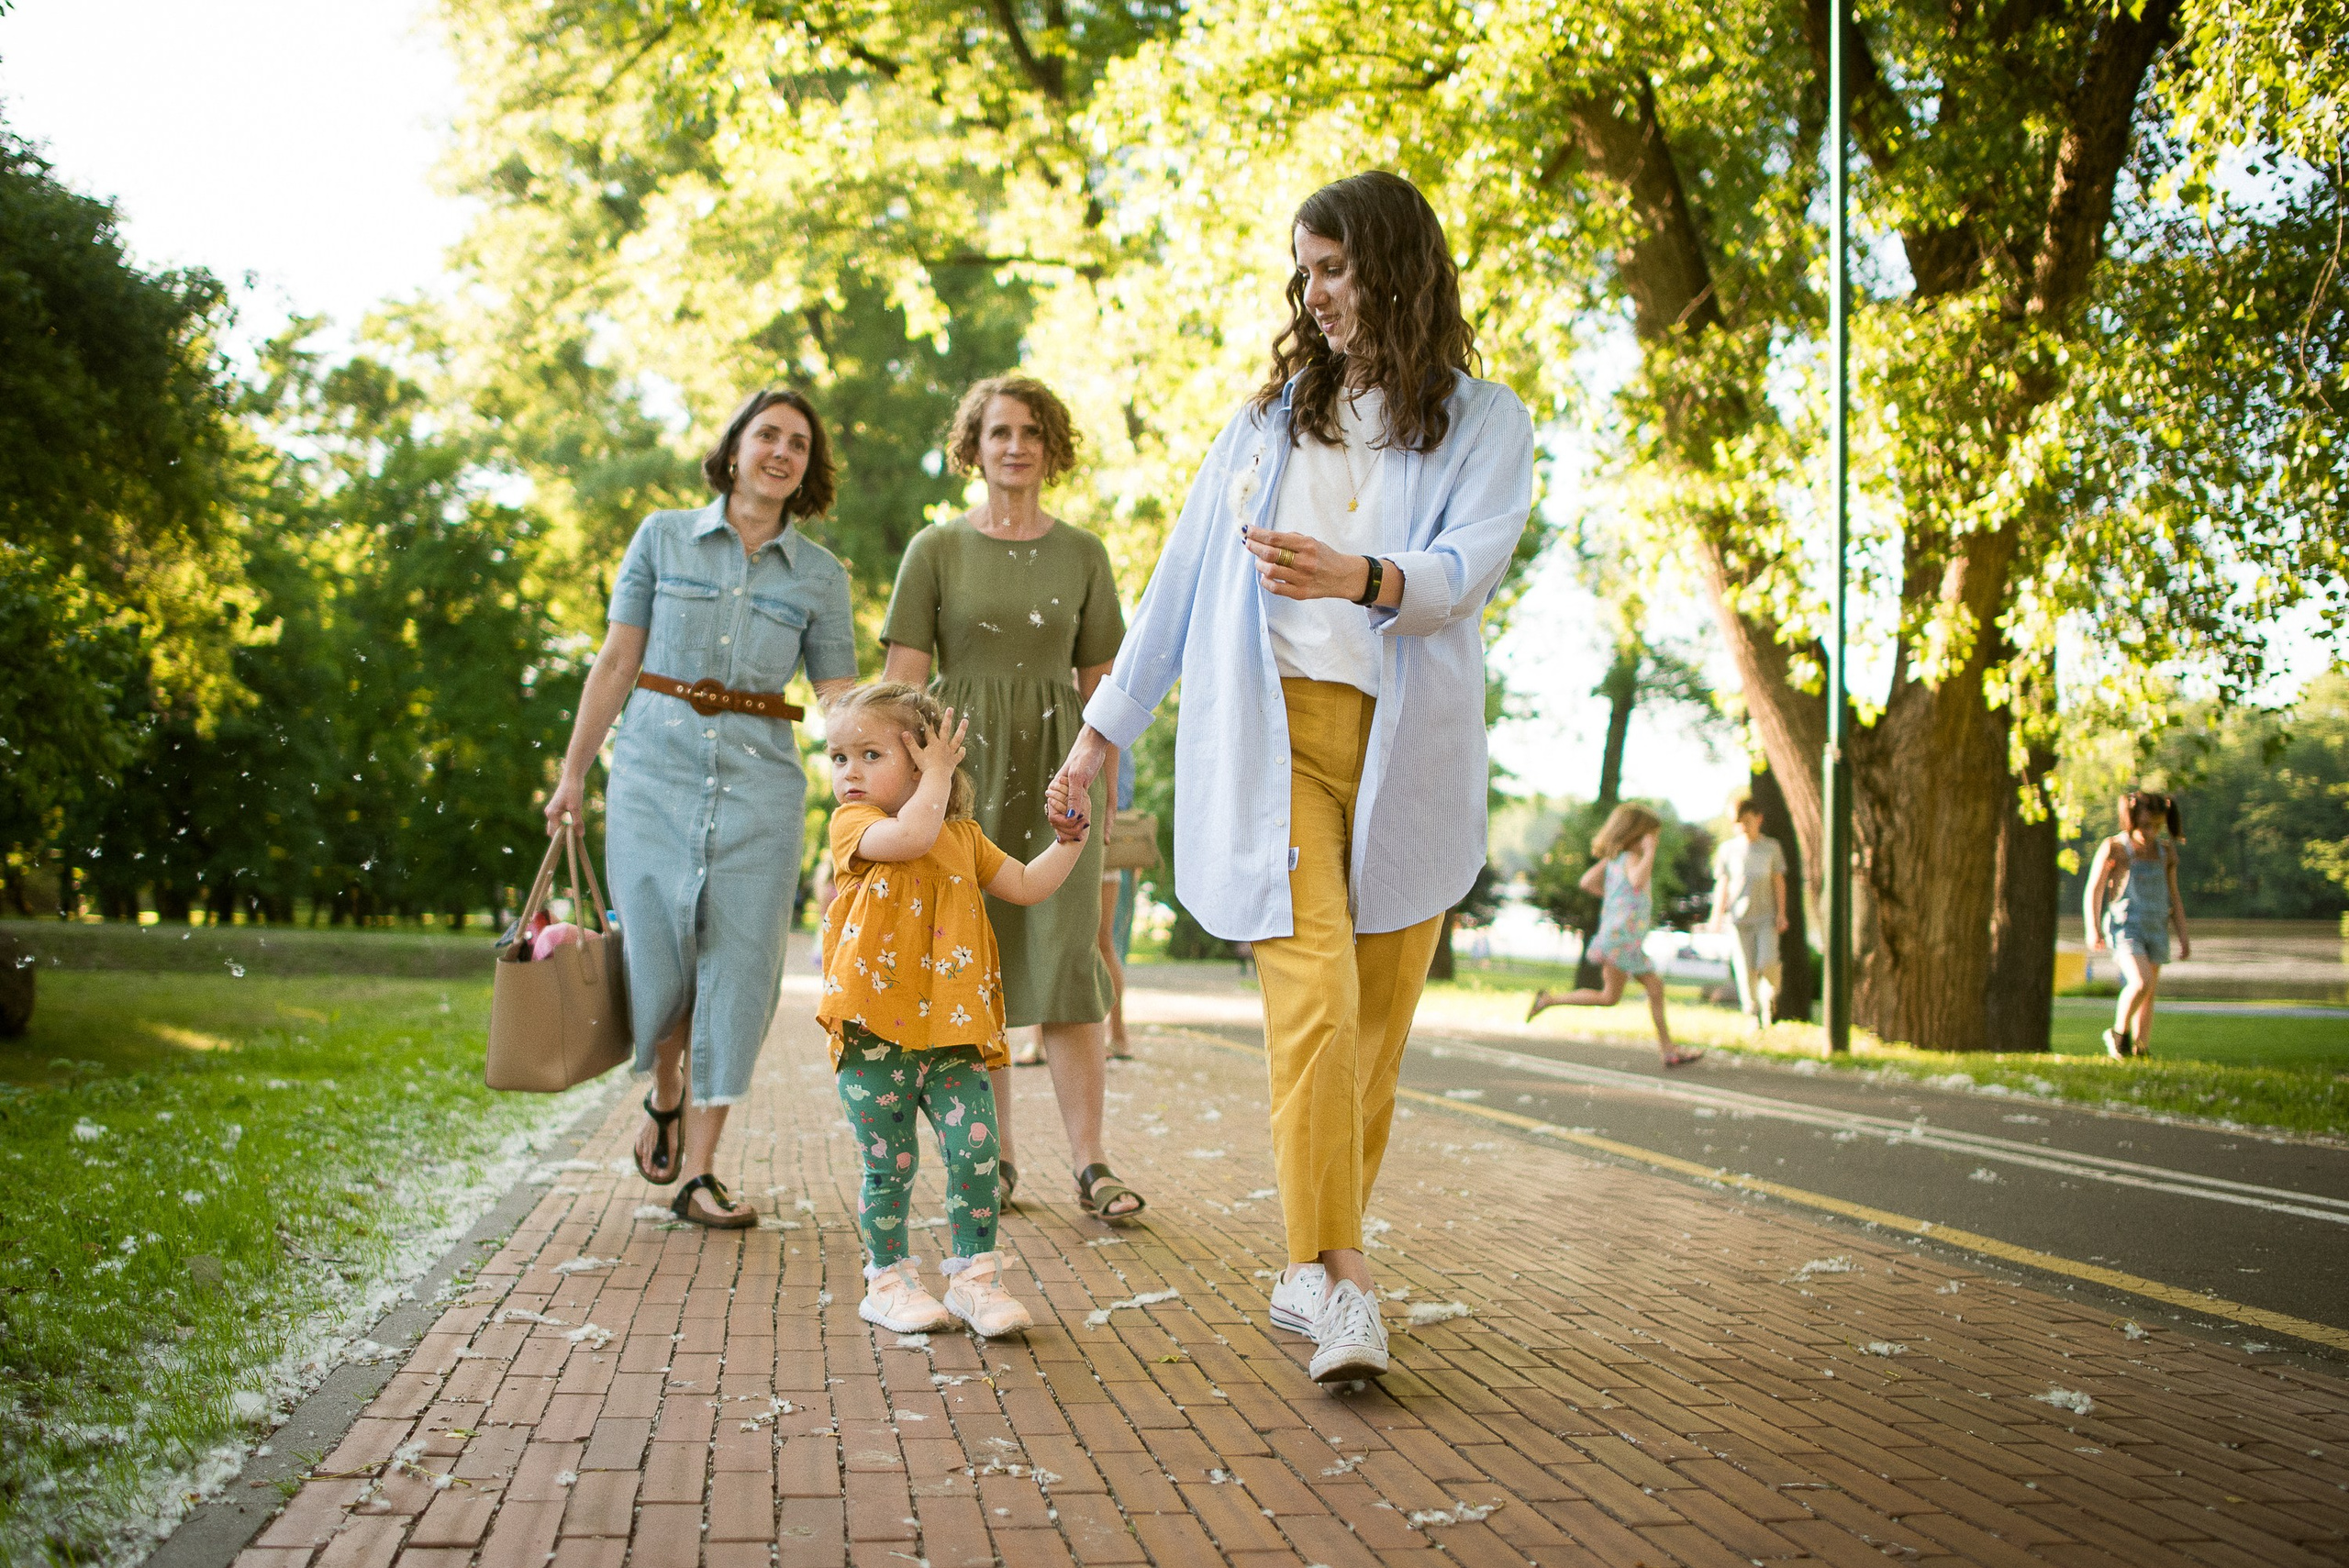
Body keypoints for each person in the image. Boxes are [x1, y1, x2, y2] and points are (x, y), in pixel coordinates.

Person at [1046, 171, 1536, 1386]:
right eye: (1304, 271)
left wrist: (1356, 576)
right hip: (1279, 748)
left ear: (1392, 265)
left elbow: (1464, 571)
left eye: (1333, 267)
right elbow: (1173, 590)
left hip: (1406, 754)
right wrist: (1098, 734)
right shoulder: (1265, 426)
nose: (1313, 294)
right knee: (1313, 1002)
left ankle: (1304, 1269)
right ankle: (1350, 1286)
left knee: (1371, 1031)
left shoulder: (1485, 421)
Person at [544, 389, 859, 1228]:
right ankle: (667, 1087)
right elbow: (616, 660)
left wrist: (875, 785)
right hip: (653, 768)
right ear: (735, 447)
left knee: (742, 961)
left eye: (798, 442)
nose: (781, 452)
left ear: (808, 469)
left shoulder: (822, 577)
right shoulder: (660, 537)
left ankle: (702, 1173)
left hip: (763, 783)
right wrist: (574, 773)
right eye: (767, 435)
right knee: (657, 948)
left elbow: (838, 697)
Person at [880, 375, 1141, 1222]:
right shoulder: (936, 550)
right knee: (978, 958)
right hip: (962, 773)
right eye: (999, 431)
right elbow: (901, 689)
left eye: (1032, 431)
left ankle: (1092, 1163)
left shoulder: (1085, 554)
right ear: (974, 444)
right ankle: (991, 1157)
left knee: (1069, 955)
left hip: (1062, 768)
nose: (1016, 445)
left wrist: (1097, 776)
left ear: (1051, 446)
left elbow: (1107, 689)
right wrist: (914, 794)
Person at [818, 682, 1089, 1336]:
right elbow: (913, 833)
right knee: (892, 1163)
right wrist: (937, 773)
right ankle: (887, 1280)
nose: (848, 771)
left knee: (977, 1155)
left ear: (919, 758)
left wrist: (1070, 840)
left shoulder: (963, 839)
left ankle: (973, 1278)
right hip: (875, 1030)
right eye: (837, 757)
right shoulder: (857, 826)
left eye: (870, 754)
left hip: (952, 1030)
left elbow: (1026, 883)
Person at [1528, 805, 1701, 1070]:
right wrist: (1650, 852)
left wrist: (1614, 899)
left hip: (1622, 939)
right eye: (1651, 835)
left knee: (1619, 995)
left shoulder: (1614, 860)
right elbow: (1636, 881)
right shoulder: (1633, 860)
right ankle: (1668, 1050)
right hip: (1621, 940)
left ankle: (1548, 1000)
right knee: (1638, 991)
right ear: (1638, 834)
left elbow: (1587, 882)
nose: (1653, 840)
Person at [2084, 789, 2191, 1057]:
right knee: (2140, 982)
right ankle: (2119, 1035)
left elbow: (2174, 897)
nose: (2151, 832)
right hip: (2126, 926)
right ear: (2131, 819)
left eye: (2157, 826)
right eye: (2145, 825)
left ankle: (2139, 1049)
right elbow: (2094, 889)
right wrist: (2093, 927)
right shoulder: (2116, 848)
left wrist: (2184, 936)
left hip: (2156, 926)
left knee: (2149, 992)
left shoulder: (2165, 852)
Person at [1708, 795, 1788, 1028]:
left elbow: (1778, 882)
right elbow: (1722, 883)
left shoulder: (1771, 848)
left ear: (1758, 819)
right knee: (1746, 968)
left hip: (1766, 916)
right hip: (1739, 918)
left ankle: (1770, 1001)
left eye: (1746, 821)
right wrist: (1716, 915)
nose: (1742, 826)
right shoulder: (1728, 849)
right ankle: (1753, 1013)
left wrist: (1781, 913)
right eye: (1737, 822)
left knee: (1767, 962)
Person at [1099, 748, 1140, 1060]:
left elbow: (1121, 797)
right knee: (1050, 938)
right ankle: (1039, 1039)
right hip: (1053, 835)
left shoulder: (1111, 726)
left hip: (1100, 839)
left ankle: (1118, 1034)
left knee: (1104, 942)